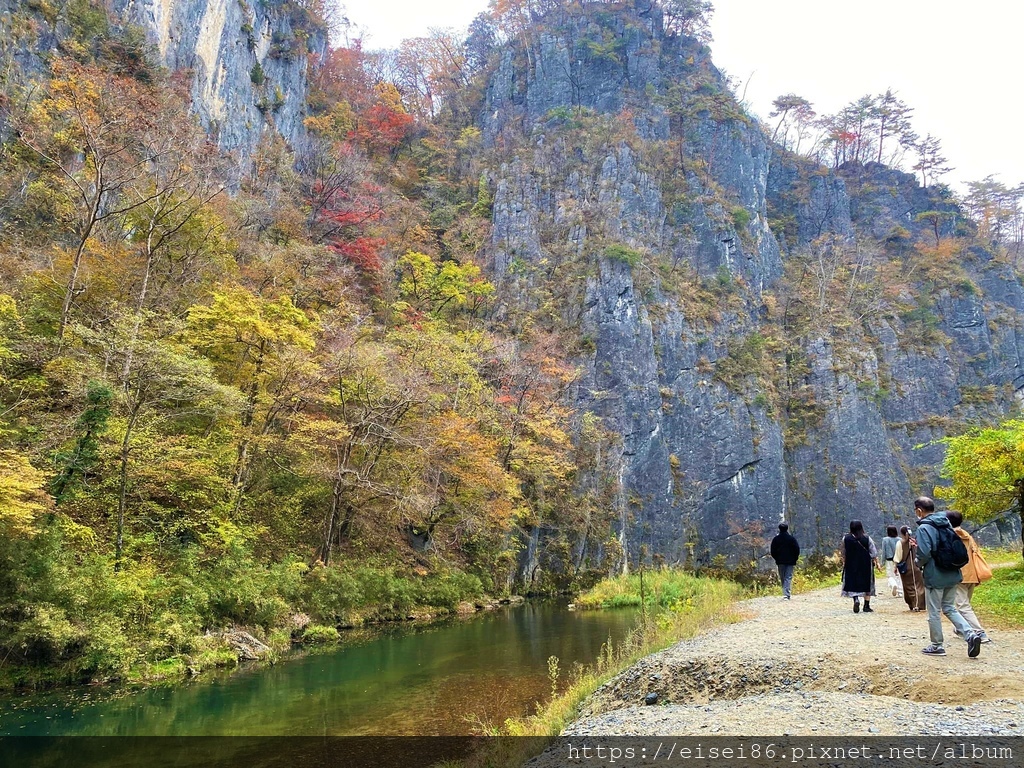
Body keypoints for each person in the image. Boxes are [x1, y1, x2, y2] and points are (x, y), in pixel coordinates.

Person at [913, 496, 981, 657]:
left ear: (919, 511)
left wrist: (917, 562)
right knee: (949, 608)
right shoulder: (946, 522)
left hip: (935, 575)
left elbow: (924, 552)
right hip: (953, 572)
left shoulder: (924, 528)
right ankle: (970, 634)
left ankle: (937, 645)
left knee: (934, 612)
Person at [946, 510, 992, 644]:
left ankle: (979, 633)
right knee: (965, 604)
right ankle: (960, 629)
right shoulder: (967, 535)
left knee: (963, 606)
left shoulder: (950, 535)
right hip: (972, 574)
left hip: (959, 575)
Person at [840, 520, 877, 613]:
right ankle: (866, 605)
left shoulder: (846, 538)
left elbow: (843, 552)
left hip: (851, 564)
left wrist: (844, 561)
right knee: (867, 584)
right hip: (865, 565)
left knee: (853, 582)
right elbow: (873, 552)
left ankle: (856, 599)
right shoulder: (867, 538)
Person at [894, 525, 925, 611]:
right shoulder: (915, 542)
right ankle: (920, 604)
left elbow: (898, 557)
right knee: (919, 586)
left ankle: (914, 605)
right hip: (917, 567)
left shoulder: (900, 543)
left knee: (909, 588)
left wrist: (895, 567)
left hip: (906, 569)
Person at [770, 522, 800, 599]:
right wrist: (795, 558)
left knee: (782, 577)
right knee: (788, 577)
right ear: (787, 529)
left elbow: (772, 551)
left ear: (779, 529)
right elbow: (797, 549)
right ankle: (786, 593)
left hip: (780, 561)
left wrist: (777, 558)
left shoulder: (776, 539)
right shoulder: (791, 539)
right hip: (790, 561)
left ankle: (786, 593)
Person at [881, 525, 903, 597]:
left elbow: (884, 552)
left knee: (890, 575)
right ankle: (900, 592)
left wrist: (882, 563)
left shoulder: (885, 540)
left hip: (889, 560)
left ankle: (893, 585)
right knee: (899, 576)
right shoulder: (900, 539)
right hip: (899, 560)